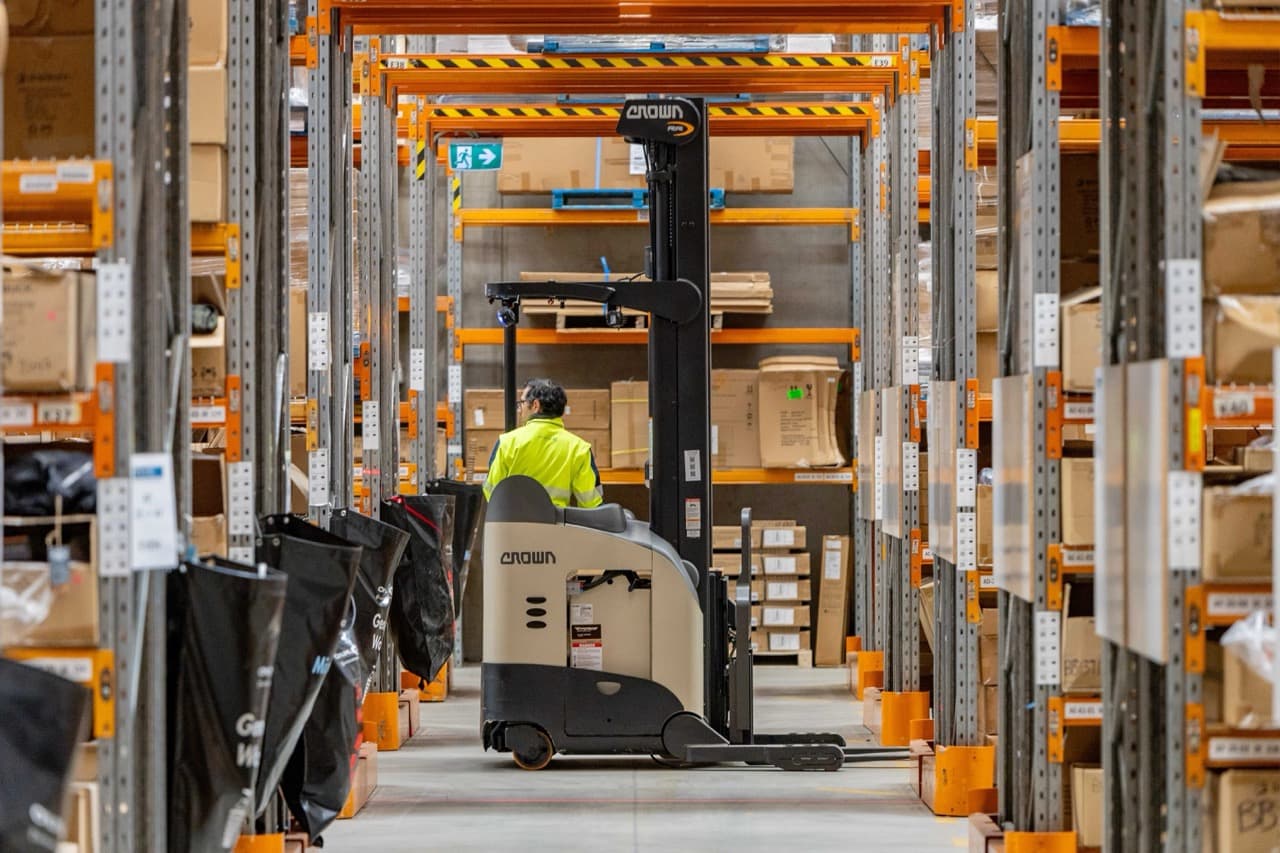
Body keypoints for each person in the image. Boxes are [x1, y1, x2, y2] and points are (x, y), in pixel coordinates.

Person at [482, 378, 604, 508]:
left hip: (513, 525)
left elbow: (491, 492)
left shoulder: (506, 443)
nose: (519, 409)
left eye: (522, 402)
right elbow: (591, 503)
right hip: (555, 527)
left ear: (535, 405)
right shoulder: (579, 449)